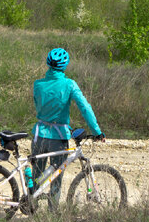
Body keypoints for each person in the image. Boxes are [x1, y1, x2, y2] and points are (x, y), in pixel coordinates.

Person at [31, 47, 104, 209]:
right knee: (55, 177)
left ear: (48, 63)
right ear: (65, 65)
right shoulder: (69, 84)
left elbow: (38, 107)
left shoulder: (38, 85)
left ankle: (31, 207)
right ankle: (52, 212)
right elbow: (85, 107)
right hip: (58, 137)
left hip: (38, 135)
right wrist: (97, 131)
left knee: (37, 175)